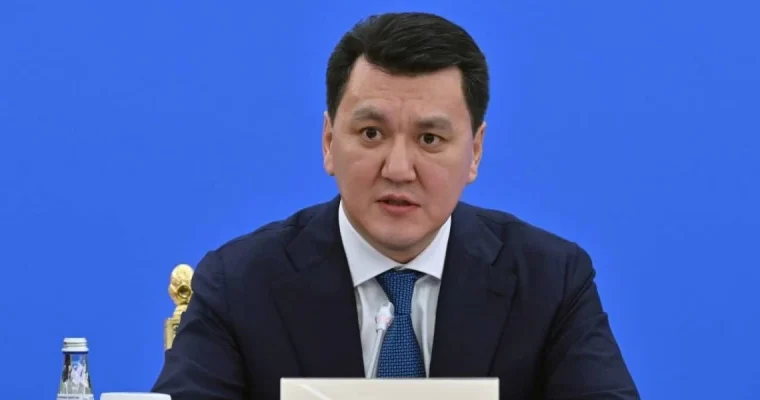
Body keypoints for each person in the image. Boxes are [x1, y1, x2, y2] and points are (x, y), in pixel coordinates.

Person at [152, 11, 639, 400]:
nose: (399, 168)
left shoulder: (550, 281)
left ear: (474, 153)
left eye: (430, 139)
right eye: (371, 133)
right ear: (328, 142)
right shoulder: (240, 284)